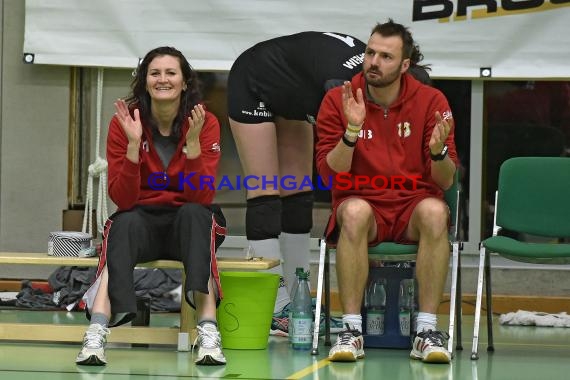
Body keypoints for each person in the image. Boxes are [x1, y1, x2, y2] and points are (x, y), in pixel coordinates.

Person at [315, 19, 458, 364]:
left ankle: (425, 331)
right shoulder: (340, 99)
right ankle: (350, 330)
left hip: (412, 207)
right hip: (364, 205)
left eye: (386, 56)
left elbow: (446, 181)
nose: (374, 62)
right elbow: (328, 174)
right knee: (352, 212)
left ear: (405, 65)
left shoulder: (431, 100)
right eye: (370, 52)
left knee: (436, 211)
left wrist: (438, 152)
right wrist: (351, 130)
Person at [75, 46, 227, 366]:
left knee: (198, 215)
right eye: (154, 73)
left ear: (185, 82)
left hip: (186, 221)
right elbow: (124, 199)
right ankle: (96, 334)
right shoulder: (125, 122)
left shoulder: (204, 121)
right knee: (121, 223)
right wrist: (133, 147)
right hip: (142, 220)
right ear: (145, 81)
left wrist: (194, 146)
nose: (163, 80)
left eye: (171, 73)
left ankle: (209, 333)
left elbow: (201, 196)